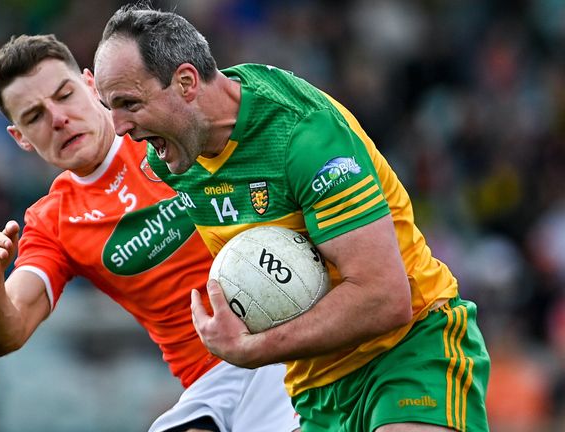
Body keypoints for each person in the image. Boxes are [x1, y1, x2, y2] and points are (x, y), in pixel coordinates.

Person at [93, 5, 491, 432]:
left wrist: (252, 350)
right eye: (109, 107)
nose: (119, 127)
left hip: (409, 347)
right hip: (314, 386)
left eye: (128, 104)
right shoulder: (175, 154)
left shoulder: (304, 136)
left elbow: (385, 297)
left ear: (186, 82)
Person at [0, 34, 300, 432]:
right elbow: (7, 333)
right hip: (209, 380)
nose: (58, 118)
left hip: (282, 334)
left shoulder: (169, 129)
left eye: (65, 95)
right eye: (35, 116)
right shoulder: (52, 222)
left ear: (91, 85)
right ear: (20, 137)